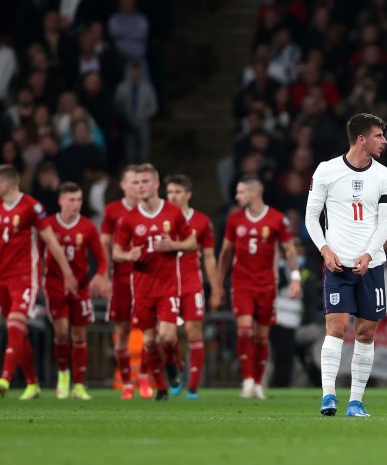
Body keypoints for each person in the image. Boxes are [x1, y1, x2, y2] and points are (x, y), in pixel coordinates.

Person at [305, 113, 387, 418]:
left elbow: (385, 222)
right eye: (378, 135)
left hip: (372, 265)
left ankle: (355, 401)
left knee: (366, 332)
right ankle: (328, 395)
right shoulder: (327, 171)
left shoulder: (385, 175)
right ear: (361, 139)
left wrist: (370, 254)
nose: (383, 140)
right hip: (338, 265)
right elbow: (311, 217)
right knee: (336, 327)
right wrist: (324, 249)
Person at [0, 165, 78, 399]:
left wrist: (67, 273)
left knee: (15, 324)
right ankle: (32, 383)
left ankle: (5, 378)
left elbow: (50, 240)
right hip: (3, 277)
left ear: (7, 184)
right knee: (19, 331)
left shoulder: (32, 207)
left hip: (26, 276)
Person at [112, 163, 196, 401]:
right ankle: (161, 388)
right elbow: (116, 251)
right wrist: (128, 256)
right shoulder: (127, 219)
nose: (140, 187)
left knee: (167, 337)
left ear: (156, 184)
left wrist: (175, 246)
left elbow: (191, 243)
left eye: (145, 182)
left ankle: (172, 363)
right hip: (141, 288)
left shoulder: (172, 212)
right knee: (149, 343)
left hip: (168, 285)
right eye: (137, 183)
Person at [215, 175, 300, 400]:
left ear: (254, 193)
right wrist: (217, 284)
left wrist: (295, 277)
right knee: (244, 330)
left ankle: (259, 382)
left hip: (267, 285)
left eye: (241, 192)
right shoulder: (234, 220)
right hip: (241, 282)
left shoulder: (276, 219)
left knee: (262, 336)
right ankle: (248, 380)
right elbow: (225, 253)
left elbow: (290, 250)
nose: (237, 196)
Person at [44, 182, 109, 400]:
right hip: (55, 285)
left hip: (80, 288)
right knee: (62, 332)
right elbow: (36, 253)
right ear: (61, 201)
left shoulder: (88, 227)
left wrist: (99, 276)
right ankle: (63, 375)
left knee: (80, 334)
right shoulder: (49, 225)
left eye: (79, 200)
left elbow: (101, 259)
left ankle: (79, 385)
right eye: (71, 200)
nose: (76, 204)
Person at [165, 174, 220, 399]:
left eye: (177, 192)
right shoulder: (161, 218)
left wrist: (216, 288)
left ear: (188, 194)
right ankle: (176, 367)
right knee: (167, 337)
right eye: (169, 192)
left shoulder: (201, 221)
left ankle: (193, 388)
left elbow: (208, 257)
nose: (173, 196)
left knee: (193, 330)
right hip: (166, 283)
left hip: (191, 282)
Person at [102, 165, 151, 399]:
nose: (137, 187)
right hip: (121, 278)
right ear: (123, 185)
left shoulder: (150, 210)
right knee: (121, 330)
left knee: (149, 330)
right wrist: (103, 274)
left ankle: (143, 379)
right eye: (133, 182)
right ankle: (126, 383)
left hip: (147, 278)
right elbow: (104, 243)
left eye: (140, 182)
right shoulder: (112, 211)